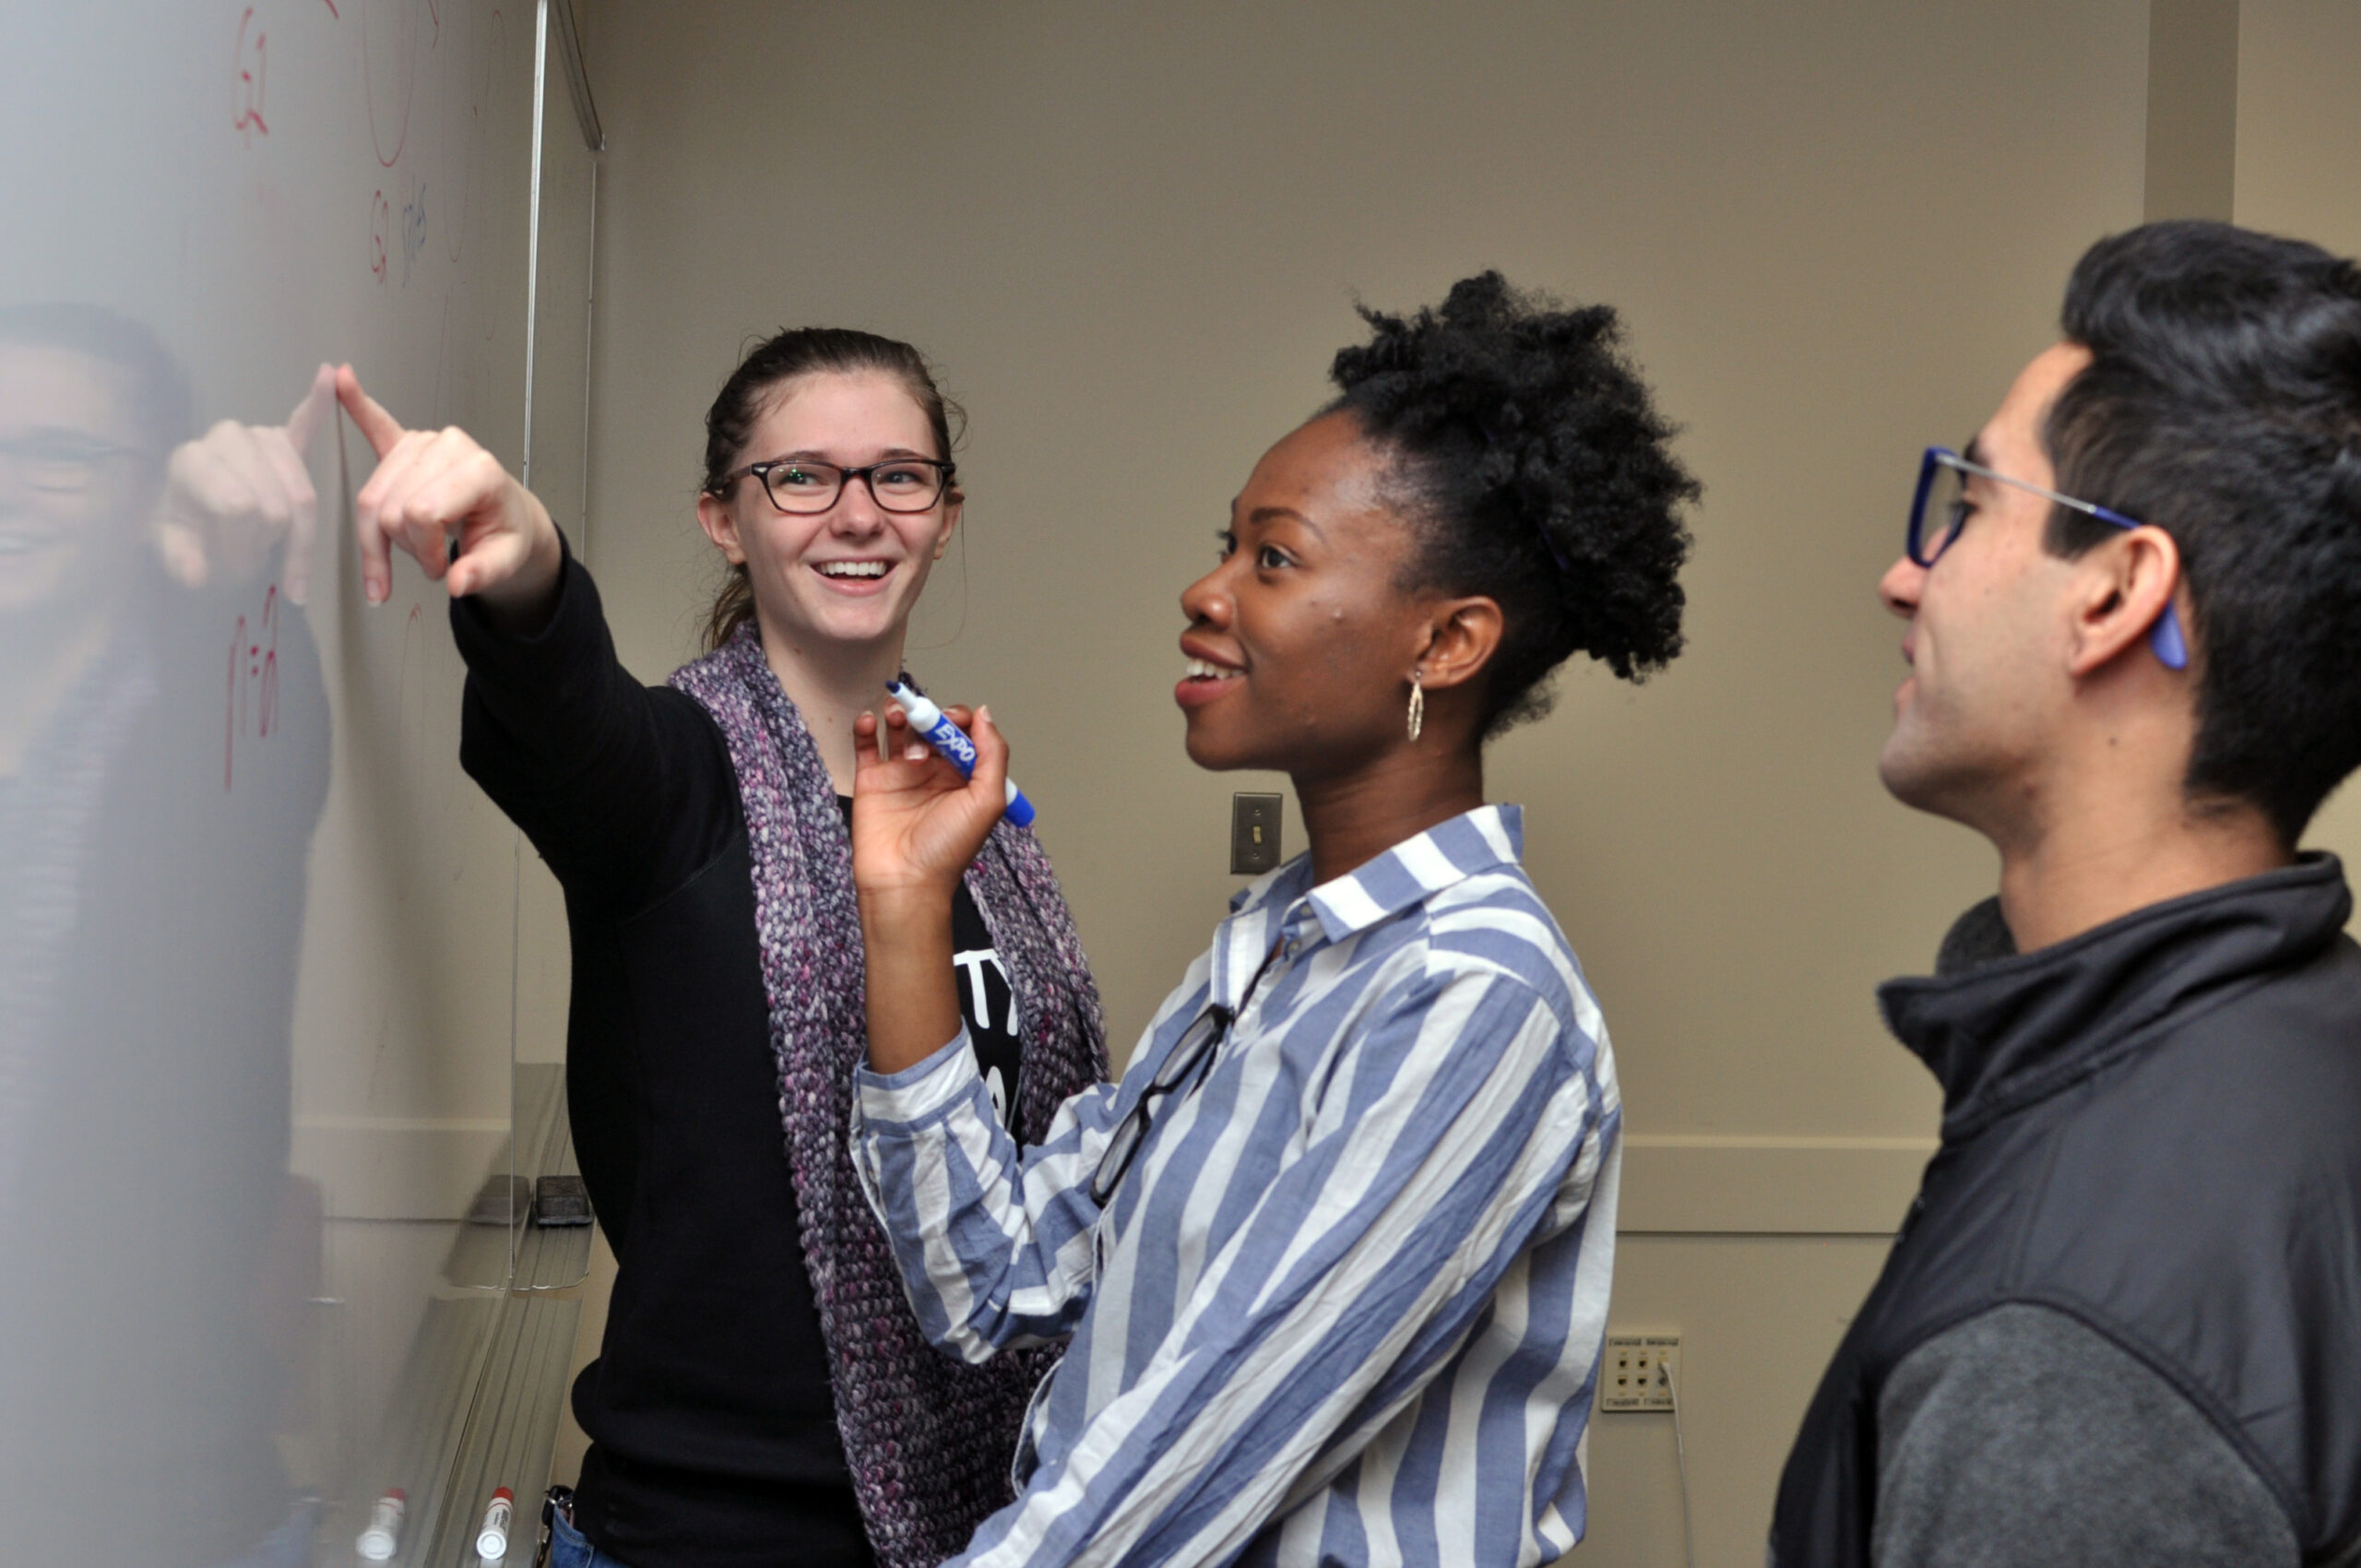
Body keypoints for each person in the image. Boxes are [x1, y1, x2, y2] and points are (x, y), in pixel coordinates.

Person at [847, 273, 1697, 1566]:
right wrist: (904, 903)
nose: (1206, 590)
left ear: (1448, 641)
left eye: (1274, 558)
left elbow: (1180, 1471)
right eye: (1226, 544)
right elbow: (988, 1273)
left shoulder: (1475, 997)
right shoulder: (1274, 957)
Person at [334, 327, 1108, 1568]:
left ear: (945, 516)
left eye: (898, 477)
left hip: (987, 1522)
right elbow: (562, 705)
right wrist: (522, 555)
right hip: (706, 1531)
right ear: (721, 517)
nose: (857, 515)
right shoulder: (675, 785)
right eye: (801, 477)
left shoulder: (976, 810)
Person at [1770, 221, 2361, 1568]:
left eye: (1970, 506)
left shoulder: (2069, 1339)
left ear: (2114, 594)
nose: (1902, 576)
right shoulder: (2300, 1046)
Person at [0, 304, 332, 1567]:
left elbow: (257, 717)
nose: (13, 487)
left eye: (63, 453)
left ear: (150, 489)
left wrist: (228, 569)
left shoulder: (214, 705)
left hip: (150, 1502)